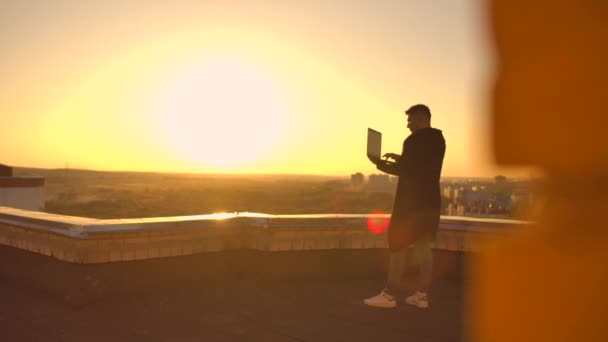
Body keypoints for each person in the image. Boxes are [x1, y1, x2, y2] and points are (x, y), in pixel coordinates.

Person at [364, 104, 446, 309]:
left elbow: (407, 170)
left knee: (398, 245)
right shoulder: (438, 139)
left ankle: (389, 295)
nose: (408, 125)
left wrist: (379, 164)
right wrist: (399, 158)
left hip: (410, 204)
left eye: (410, 120)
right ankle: (421, 296)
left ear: (420, 119)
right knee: (423, 247)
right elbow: (420, 165)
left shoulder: (413, 140)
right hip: (430, 203)